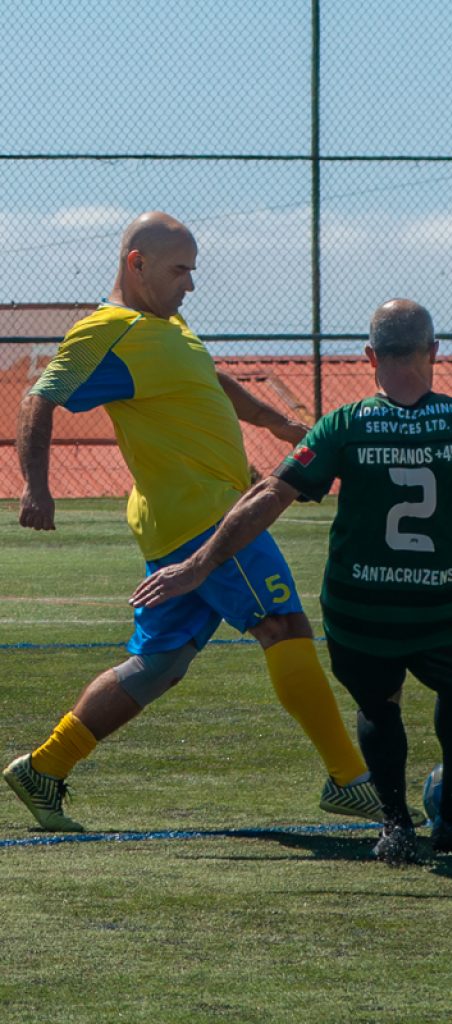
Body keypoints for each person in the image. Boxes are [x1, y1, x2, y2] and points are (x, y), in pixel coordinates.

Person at [130, 298, 452, 865]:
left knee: (378, 702)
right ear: (433, 351)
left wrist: (198, 565)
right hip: (442, 603)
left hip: (359, 607)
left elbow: (270, 495)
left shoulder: (345, 424)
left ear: (369, 356)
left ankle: (394, 826)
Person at [4, 211, 387, 832]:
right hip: (207, 517)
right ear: (138, 264)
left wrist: (275, 424)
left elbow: (210, 378)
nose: (190, 284)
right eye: (180, 270)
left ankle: (44, 768)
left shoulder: (167, 325)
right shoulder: (107, 330)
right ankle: (351, 780)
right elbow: (38, 397)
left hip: (174, 522)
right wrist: (36, 486)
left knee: (160, 663)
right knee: (283, 624)